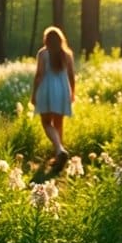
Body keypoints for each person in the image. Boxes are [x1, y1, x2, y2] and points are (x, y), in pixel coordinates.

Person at [30, 26, 76, 172]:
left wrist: (34, 93)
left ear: (46, 40)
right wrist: (72, 93)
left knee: (46, 122)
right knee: (58, 123)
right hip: (62, 90)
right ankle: (59, 155)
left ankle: (59, 150)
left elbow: (39, 75)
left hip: (47, 90)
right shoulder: (67, 54)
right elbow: (71, 76)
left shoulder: (43, 53)